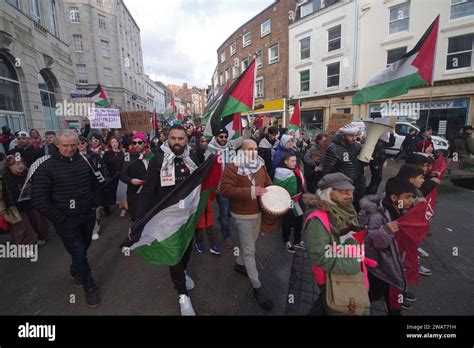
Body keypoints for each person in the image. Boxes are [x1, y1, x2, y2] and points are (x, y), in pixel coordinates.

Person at [31, 130, 105, 307]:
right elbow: (39, 199)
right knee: (79, 252)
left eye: (73, 145)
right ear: (56, 145)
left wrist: (95, 203)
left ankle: (75, 269)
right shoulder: (45, 167)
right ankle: (90, 287)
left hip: (87, 215)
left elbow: (96, 183)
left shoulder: (85, 160)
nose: (70, 149)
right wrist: (60, 218)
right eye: (66, 145)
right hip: (65, 220)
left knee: (83, 248)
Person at [133, 125, 200, 315]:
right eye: (173, 138)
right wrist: (139, 220)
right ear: (167, 139)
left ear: (186, 140)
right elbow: (147, 192)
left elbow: (200, 182)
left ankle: (183, 273)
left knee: (186, 249)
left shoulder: (192, 158)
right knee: (174, 253)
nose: (177, 142)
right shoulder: (158, 160)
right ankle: (182, 294)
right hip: (166, 218)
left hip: (188, 216)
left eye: (181, 138)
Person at [303, 173, 370, 315]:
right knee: (340, 306)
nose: (349, 195)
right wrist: (352, 264)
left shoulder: (346, 209)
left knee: (328, 304)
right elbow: (318, 255)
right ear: (329, 193)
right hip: (334, 277)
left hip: (349, 273)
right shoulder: (318, 219)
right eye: (343, 191)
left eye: (350, 191)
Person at [220, 139, 274, 311]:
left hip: (258, 211)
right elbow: (225, 190)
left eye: (256, 149)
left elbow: (267, 183)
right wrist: (251, 192)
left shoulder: (260, 164)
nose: (254, 152)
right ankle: (257, 287)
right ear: (242, 151)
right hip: (242, 214)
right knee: (250, 250)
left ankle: (239, 264)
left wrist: (275, 196)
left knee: (251, 243)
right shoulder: (232, 167)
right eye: (250, 149)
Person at [358, 178, 418, 315]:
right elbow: (371, 241)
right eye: (407, 197)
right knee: (371, 294)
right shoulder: (377, 215)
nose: (410, 200)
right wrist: (385, 231)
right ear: (394, 197)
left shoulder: (399, 206)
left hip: (391, 262)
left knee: (390, 292)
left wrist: (415, 205)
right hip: (378, 264)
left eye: (412, 197)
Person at [206, 126, 252, 249]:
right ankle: (226, 236)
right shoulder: (210, 150)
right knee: (224, 211)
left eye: (226, 136)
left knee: (226, 211)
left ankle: (222, 219)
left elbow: (244, 138)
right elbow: (206, 168)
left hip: (231, 185)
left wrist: (249, 126)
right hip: (219, 187)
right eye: (221, 137)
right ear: (216, 137)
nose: (224, 139)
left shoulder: (231, 144)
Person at [2, 155, 49, 246]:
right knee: (21, 229)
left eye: (21, 163)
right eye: (16, 164)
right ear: (9, 166)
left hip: (31, 203)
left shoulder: (29, 173)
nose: (20, 166)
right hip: (15, 207)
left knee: (39, 222)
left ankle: (43, 237)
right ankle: (26, 246)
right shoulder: (4, 178)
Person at [320, 124, 366, 211]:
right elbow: (327, 170)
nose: (354, 138)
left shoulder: (358, 146)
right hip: (342, 187)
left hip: (358, 184)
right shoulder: (334, 149)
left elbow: (363, 164)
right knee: (343, 209)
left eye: (355, 136)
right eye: (351, 136)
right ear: (343, 136)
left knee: (356, 209)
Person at [273, 153, 306, 253]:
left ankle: (297, 240)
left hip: (297, 200)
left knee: (299, 220)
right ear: (285, 161)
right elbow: (278, 189)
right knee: (287, 221)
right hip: (288, 201)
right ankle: (286, 240)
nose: (295, 163)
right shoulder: (281, 173)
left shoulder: (294, 170)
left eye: (295, 161)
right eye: (292, 161)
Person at [120, 133, 154, 222]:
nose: (137, 145)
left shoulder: (151, 155)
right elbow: (122, 175)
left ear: (145, 143)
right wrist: (131, 180)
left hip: (150, 192)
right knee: (136, 218)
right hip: (135, 193)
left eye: (139, 142)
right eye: (134, 143)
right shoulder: (128, 156)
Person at [366, 131, 396, 195]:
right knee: (376, 178)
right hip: (375, 161)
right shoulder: (372, 141)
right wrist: (374, 163)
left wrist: (391, 134)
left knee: (378, 178)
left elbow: (391, 143)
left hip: (380, 160)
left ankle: (372, 191)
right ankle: (370, 192)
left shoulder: (381, 141)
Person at [102, 137, 126, 217]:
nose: (114, 144)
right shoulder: (107, 154)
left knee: (122, 193)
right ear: (110, 144)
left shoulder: (123, 153)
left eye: (116, 142)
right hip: (111, 176)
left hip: (120, 176)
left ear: (118, 143)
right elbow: (104, 165)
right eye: (112, 142)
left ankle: (123, 209)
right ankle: (107, 208)